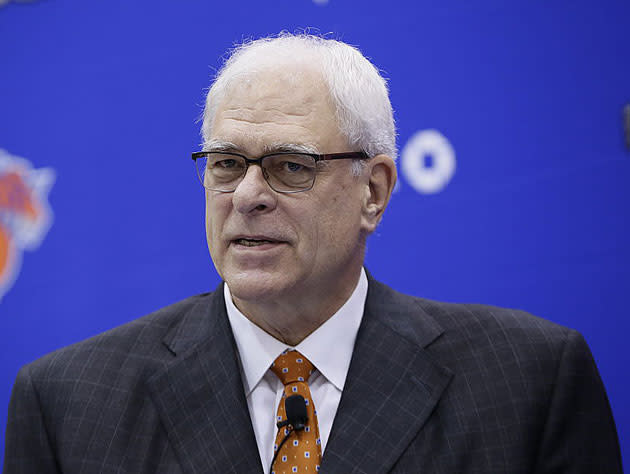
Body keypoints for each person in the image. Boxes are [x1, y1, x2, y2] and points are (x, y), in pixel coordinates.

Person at [4, 33, 622, 474]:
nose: (247, 196)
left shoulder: (529, 382)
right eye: (225, 165)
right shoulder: (68, 402)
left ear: (373, 192)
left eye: (289, 166)